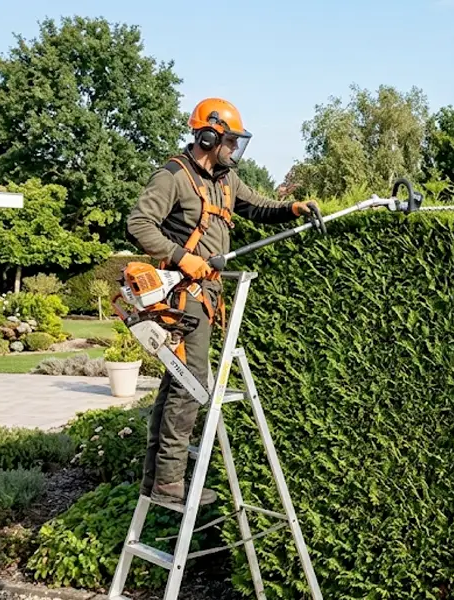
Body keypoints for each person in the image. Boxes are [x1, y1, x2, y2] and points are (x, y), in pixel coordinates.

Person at [127, 97, 318, 506]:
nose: (235, 149)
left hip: (209, 296)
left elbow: (258, 207)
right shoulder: (173, 176)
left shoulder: (227, 180)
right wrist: (183, 258)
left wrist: (293, 208)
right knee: (192, 381)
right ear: (208, 135)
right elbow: (138, 224)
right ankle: (169, 483)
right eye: (230, 141)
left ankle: (154, 478)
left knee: (176, 381)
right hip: (183, 295)